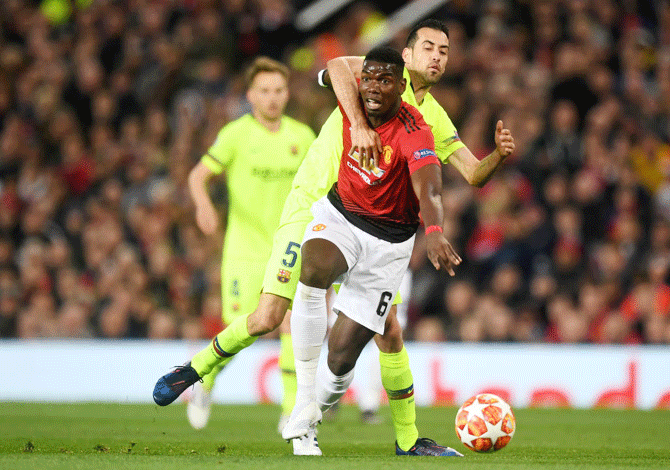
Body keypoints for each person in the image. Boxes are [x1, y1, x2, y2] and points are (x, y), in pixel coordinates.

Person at [154, 19, 515, 456]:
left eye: (444, 51)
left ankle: (403, 438)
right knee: (268, 315)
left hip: (373, 228)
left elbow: (472, 173)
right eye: (429, 48)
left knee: (390, 331)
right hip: (314, 206)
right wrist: (360, 123)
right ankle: (198, 369)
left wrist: (496, 155)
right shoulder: (373, 74)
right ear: (407, 54)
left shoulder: (430, 118)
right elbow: (337, 66)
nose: (437, 57)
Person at [280, 45, 464, 456]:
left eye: (386, 80)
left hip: (389, 243)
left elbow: (430, 186)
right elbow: (332, 68)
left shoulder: (415, 130)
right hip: (342, 215)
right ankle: (303, 404)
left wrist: (433, 229)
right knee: (313, 271)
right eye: (370, 78)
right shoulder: (354, 99)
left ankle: (311, 415)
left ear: (402, 86)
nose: (375, 87)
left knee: (343, 356)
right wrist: (357, 118)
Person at [180, 56, 315, 429]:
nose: (272, 98)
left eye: (278, 90)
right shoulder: (236, 134)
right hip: (244, 250)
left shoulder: (302, 137)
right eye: (264, 91)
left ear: (287, 94)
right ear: (250, 96)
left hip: (289, 248)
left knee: (292, 324)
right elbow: (197, 176)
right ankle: (204, 381)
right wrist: (204, 204)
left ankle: (291, 410)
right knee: (241, 328)